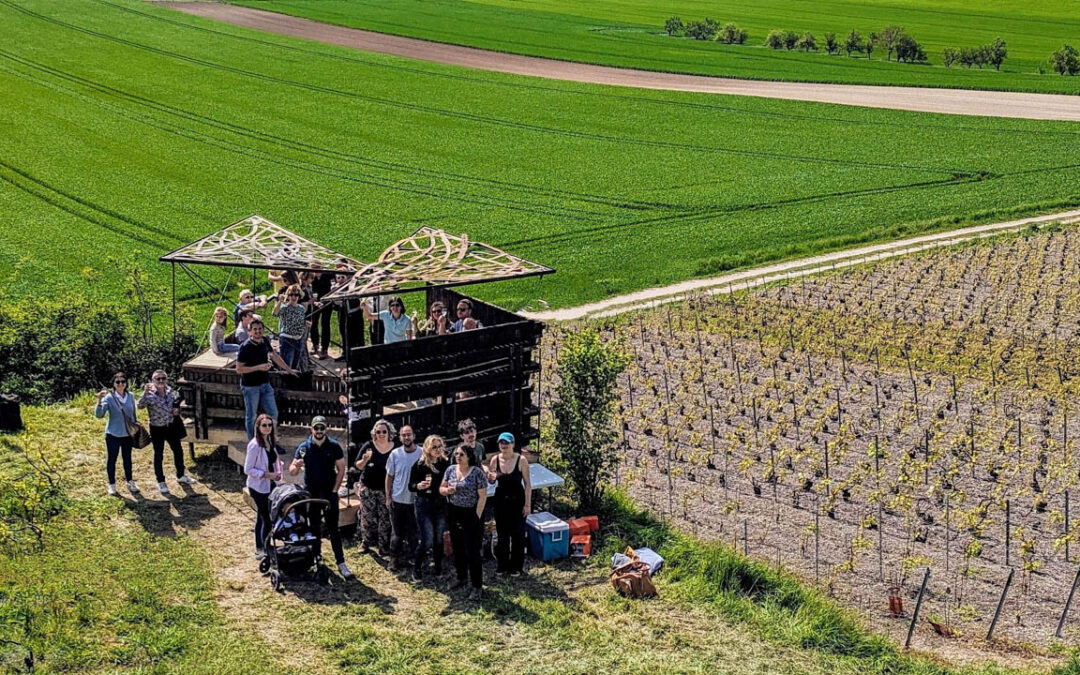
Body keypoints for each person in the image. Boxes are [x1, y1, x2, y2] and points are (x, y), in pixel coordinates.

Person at [289, 416, 355, 580]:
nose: (319, 431)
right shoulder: (304, 448)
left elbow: (341, 468)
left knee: (334, 529)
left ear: (326, 429)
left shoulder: (333, 446)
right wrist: (295, 467)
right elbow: (292, 470)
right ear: (311, 429)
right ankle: (318, 559)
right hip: (311, 493)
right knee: (314, 528)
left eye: (322, 428)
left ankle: (341, 562)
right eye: (316, 428)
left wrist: (335, 490)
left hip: (328, 493)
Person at [236, 319, 297, 439]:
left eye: (260, 329)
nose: (258, 332)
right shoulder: (245, 347)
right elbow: (239, 369)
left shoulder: (264, 341)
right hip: (250, 386)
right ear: (249, 332)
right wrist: (259, 367)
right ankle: (253, 443)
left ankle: (272, 440)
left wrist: (288, 369)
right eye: (255, 329)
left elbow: (274, 355)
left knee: (273, 413)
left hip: (265, 384)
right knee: (252, 416)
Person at [441, 443, 488, 600]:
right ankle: (461, 577)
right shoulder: (450, 470)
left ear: (469, 456)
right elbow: (441, 488)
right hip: (454, 512)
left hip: (472, 513)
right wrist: (447, 490)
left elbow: (482, 496)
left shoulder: (477, 473)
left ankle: (477, 586)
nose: (458, 457)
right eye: (456, 454)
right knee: (458, 547)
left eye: (461, 454)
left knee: (472, 551)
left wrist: (477, 516)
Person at [137, 370, 195, 495]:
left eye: (163, 378)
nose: (161, 381)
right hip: (157, 428)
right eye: (158, 379)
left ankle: (181, 475)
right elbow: (139, 406)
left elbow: (175, 405)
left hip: (171, 426)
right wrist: (144, 393)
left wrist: (176, 410)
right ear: (153, 380)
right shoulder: (149, 393)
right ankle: (161, 481)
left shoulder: (170, 391)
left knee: (178, 451)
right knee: (159, 454)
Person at [487, 432, 531, 576]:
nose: (504, 446)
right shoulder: (495, 459)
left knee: (517, 535)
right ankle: (502, 565)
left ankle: (516, 567)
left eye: (506, 443)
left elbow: (527, 484)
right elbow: (491, 480)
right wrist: (491, 477)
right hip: (500, 500)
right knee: (502, 535)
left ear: (512, 444)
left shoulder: (521, 460)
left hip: (517, 500)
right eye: (501, 443)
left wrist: (527, 505)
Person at [409, 435, 450, 581]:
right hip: (424, 503)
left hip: (440, 502)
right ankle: (417, 567)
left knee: (438, 538)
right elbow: (411, 486)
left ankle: (438, 568)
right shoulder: (420, 465)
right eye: (434, 447)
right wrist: (418, 486)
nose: (438, 450)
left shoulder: (445, 463)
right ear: (427, 448)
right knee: (427, 539)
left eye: (440, 446)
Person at [352, 419, 394, 555]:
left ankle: (384, 546)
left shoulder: (395, 447)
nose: (381, 434)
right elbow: (357, 466)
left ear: (389, 433)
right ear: (374, 433)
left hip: (386, 489)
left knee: (385, 519)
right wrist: (365, 460)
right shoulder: (368, 446)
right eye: (378, 432)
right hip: (368, 487)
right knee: (366, 518)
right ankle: (365, 542)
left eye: (384, 431)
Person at [245, 414, 283, 560]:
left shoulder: (270, 441)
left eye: (269, 425)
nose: (267, 428)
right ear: (258, 427)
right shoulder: (255, 445)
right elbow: (248, 469)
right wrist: (267, 475)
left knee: (262, 517)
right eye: (264, 425)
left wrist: (278, 470)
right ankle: (261, 548)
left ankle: (264, 544)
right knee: (266, 518)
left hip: (270, 485)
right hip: (258, 487)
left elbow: (273, 460)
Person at [95, 372, 139, 496]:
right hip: (113, 434)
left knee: (127, 459)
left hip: (127, 434)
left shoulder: (130, 396)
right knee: (112, 460)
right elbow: (99, 415)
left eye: (123, 381)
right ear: (113, 384)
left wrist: (135, 427)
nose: (120, 384)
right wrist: (99, 401)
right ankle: (112, 484)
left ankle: (130, 481)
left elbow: (133, 415)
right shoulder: (109, 398)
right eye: (117, 382)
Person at [384, 425, 421, 570]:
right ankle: (393, 559)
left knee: (413, 531)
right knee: (397, 533)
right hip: (397, 499)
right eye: (403, 435)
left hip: (415, 500)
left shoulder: (422, 453)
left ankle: (413, 558)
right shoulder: (395, 454)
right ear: (400, 437)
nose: (406, 437)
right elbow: (389, 476)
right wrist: (388, 497)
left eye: (409, 434)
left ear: (414, 436)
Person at [273, 283, 310, 370]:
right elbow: (275, 313)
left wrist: (305, 323)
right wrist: (279, 302)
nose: (294, 297)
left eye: (296, 295)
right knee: (286, 365)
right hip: (287, 339)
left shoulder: (301, 308)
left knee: (295, 365)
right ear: (288, 296)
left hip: (298, 339)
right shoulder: (284, 307)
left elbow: (300, 321)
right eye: (291, 295)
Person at [309, 270, 335, 360]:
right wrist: (316, 302)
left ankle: (325, 348)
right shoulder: (312, 277)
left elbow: (333, 286)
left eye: (317, 268)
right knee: (314, 322)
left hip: (327, 302)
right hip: (316, 302)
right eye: (314, 268)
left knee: (325, 324)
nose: (316, 271)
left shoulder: (328, 275)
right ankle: (315, 344)